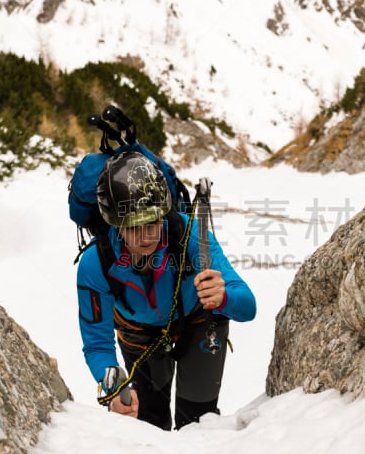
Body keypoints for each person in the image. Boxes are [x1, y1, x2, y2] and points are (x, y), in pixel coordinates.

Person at [76, 151, 256, 430]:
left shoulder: (192, 238)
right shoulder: (95, 263)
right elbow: (97, 344)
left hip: (198, 323)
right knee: (148, 423)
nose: (146, 235)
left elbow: (248, 306)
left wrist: (224, 297)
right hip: (138, 335)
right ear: (114, 224)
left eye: (153, 221)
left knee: (198, 424)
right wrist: (113, 384)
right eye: (134, 226)